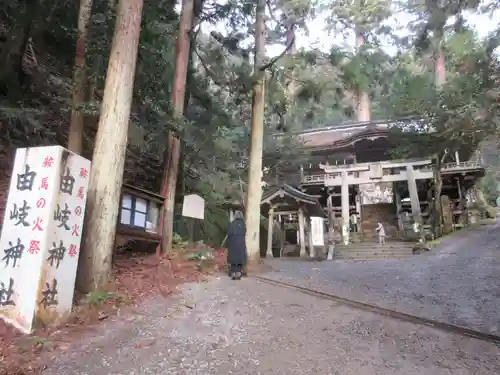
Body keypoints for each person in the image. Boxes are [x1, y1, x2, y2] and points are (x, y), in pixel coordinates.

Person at [227, 211, 248, 280]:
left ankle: (233, 273)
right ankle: (238, 274)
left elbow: (229, 233)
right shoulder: (243, 224)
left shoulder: (232, 223)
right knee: (239, 259)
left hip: (232, 244)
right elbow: (244, 232)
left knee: (233, 259)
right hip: (241, 243)